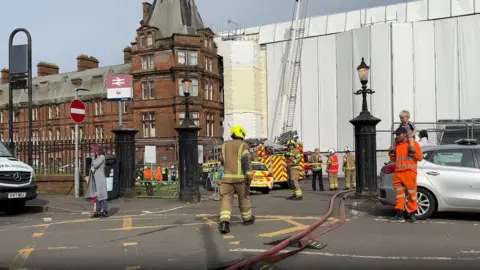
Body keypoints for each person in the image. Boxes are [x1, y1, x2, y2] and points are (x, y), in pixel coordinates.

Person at [218, 125, 255, 234]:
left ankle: (224, 223)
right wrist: (249, 177)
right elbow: (245, 162)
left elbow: (222, 160)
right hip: (240, 180)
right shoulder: (243, 145)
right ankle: (247, 219)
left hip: (226, 180)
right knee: (244, 199)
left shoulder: (224, 145)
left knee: (226, 200)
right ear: (242, 135)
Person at [389, 127, 423, 223]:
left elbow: (420, 157)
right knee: (399, 195)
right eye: (396, 135)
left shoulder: (413, 144)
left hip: (409, 172)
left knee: (412, 195)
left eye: (398, 134)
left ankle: (412, 214)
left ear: (404, 134)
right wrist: (391, 153)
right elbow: (394, 160)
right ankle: (399, 214)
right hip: (398, 173)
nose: (396, 136)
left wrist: (413, 152)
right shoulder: (397, 146)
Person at [84, 144, 109, 218]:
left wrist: (92, 157)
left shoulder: (102, 157)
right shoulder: (95, 158)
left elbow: (96, 165)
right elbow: (92, 167)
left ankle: (105, 211)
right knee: (97, 196)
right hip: (95, 179)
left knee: (103, 196)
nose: (92, 151)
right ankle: (98, 211)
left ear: (97, 150)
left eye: (93, 149)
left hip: (100, 179)